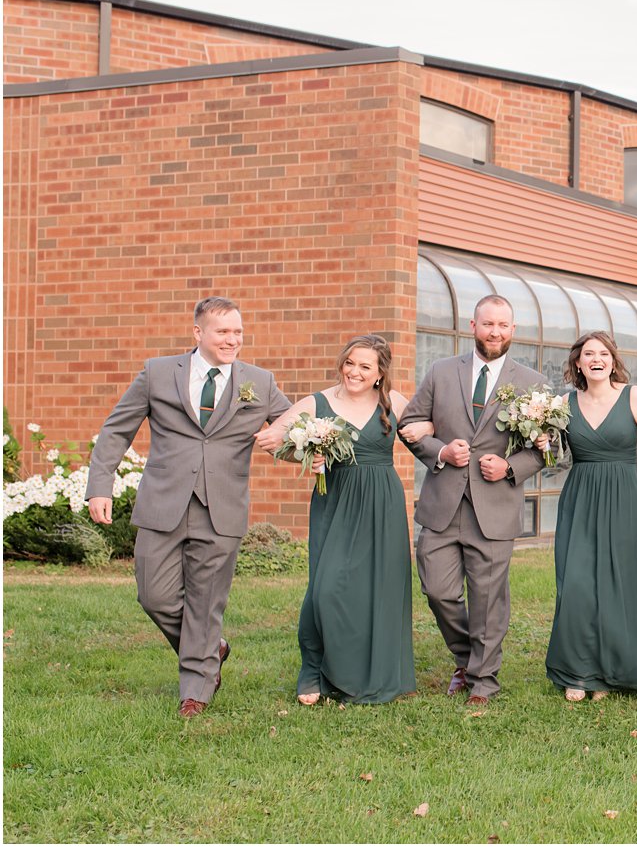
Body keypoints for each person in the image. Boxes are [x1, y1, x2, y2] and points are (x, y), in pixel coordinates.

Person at [85, 296, 292, 718]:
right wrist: (99, 485)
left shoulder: (260, 381)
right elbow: (116, 429)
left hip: (223, 508)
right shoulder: (157, 373)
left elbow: (295, 429)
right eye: (223, 332)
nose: (233, 340)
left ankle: (195, 689)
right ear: (198, 332)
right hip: (163, 502)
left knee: (206, 600)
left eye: (238, 331)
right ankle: (209, 648)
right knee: (154, 594)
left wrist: (293, 444)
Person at [397, 295, 548, 706]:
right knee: (438, 591)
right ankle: (467, 658)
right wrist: (441, 452)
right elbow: (409, 424)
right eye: (487, 324)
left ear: (512, 330)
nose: (494, 332)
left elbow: (549, 448)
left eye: (502, 325)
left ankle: (483, 681)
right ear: (473, 326)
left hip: (494, 506)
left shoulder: (532, 384)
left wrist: (511, 467)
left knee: (487, 600)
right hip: (443, 505)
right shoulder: (441, 372)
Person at [265, 335, 416, 705]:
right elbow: (272, 439)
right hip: (335, 500)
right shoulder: (319, 402)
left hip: (383, 501)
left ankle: (375, 674)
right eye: (350, 363)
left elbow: (425, 434)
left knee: (380, 586)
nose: (355, 371)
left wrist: (437, 439)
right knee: (326, 588)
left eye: (365, 366)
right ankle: (314, 669)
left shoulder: (393, 402)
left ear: (380, 373)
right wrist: (306, 452)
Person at [545, 331, 637, 702]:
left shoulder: (634, 396)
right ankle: (579, 671)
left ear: (612, 360)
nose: (596, 359)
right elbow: (555, 457)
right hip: (580, 497)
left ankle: (610, 672)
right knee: (575, 583)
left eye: (603, 353)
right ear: (578, 363)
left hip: (622, 499)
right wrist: (545, 442)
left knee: (618, 582)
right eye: (588, 353)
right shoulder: (563, 402)